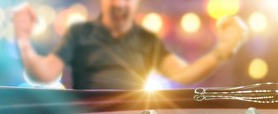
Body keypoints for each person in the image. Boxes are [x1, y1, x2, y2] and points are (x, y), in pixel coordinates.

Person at [12, 0, 248, 90]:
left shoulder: (146, 39)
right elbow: (44, 73)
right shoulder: (79, 33)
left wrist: (222, 52)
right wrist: (23, 41)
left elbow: (184, 74)